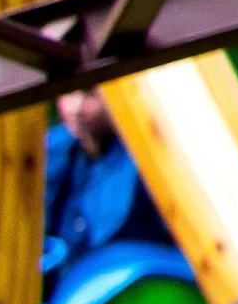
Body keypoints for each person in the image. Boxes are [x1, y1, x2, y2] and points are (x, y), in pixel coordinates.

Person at [46, 84, 178, 267]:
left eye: (90, 95)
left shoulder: (150, 154)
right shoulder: (52, 151)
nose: (75, 108)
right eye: (67, 94)